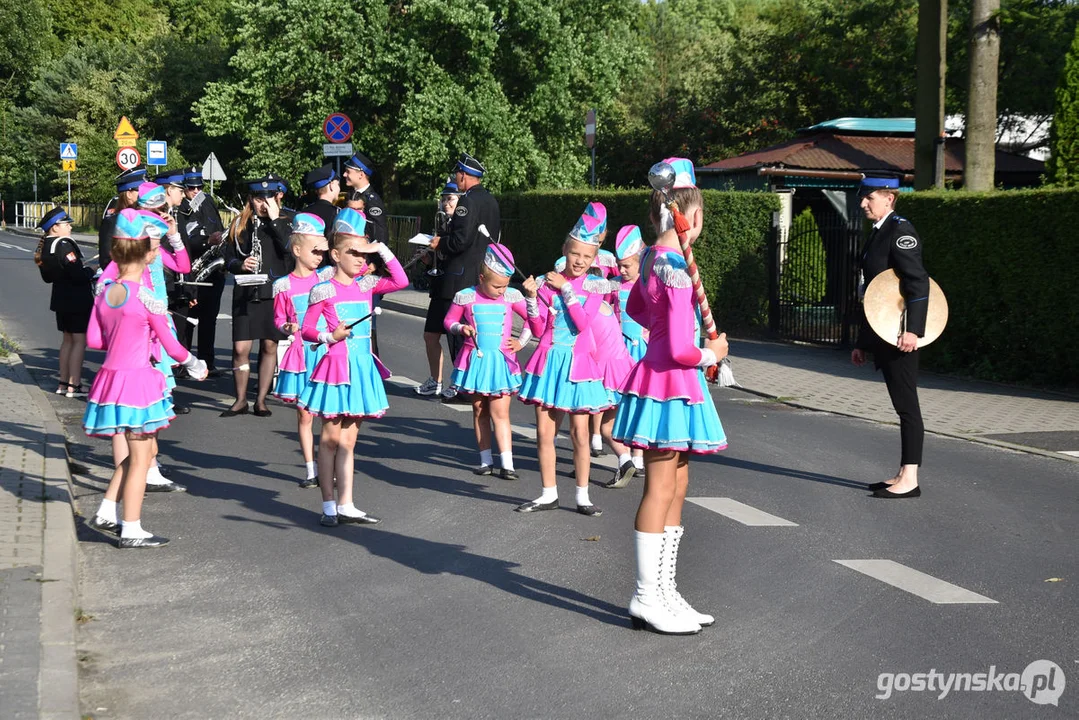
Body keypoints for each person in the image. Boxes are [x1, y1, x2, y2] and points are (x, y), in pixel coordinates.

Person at [612, 157, 728, 635]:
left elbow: (639, 309)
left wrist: (666, 328)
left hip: (664, 381)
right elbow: (683, 348)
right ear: (691, 215)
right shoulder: (675, 266)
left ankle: (666, 589)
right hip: (671, 382)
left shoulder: (652, 262)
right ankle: (645, 595)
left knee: (677, 483)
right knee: (661, 486)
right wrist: (711, 352)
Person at [83, 209, 208, 548]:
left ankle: (108, 510)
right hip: (138, 380)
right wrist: (196, 364)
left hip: (111, 379)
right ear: (147, 254)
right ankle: (132, 528)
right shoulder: (147, 299)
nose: (156, 252)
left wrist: (125, 334)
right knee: (141, 457)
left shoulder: (105, 294)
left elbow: (95, 340)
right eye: (153, 247)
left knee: (138, 450)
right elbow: (173, 348)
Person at [298, 209, 408, 527]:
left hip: (360, 368)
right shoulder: (324, 290)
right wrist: (329, 336)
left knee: (349, 441)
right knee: (330, 438)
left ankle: (347, 503)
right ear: (335, 254)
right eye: (353, 253)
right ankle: (328, 505)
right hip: (336, 369)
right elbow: (306, 330)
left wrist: (380, 249)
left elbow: (401, 280)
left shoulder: (367, 285)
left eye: (364, 253)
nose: (361, 259)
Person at [515, 208, 612, 516]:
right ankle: (548, 493)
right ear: (565, 251)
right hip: (547, 362)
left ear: (594, 257)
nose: (580, 260)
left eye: (586, 255)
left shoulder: (595, 286)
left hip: (578, 366)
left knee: (580, 434)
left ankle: (582, 495)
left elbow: (583, 324)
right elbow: (540, 324)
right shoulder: (546, 281)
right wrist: (531, 298)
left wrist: (566, 289)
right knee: (544, 433)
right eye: (575, 253)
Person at [851, 173, 930, 499]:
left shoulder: (900, 231)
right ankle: (902, 472)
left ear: (889, 198)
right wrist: (862, 342)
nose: (863, 203)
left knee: (907, 405)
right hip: (884, 333)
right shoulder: (880, 232)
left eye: (869, 197)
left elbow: (918, 283)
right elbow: (875, 293)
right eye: (863, 197)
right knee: (902, 405)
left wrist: (914, 330)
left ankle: (910, 478)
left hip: (901, 335)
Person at [443, 244, 539, 479]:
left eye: (505, 285)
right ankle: (486, 461)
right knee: (479, 410)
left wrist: (521, 342)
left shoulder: (511, 297)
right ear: (481, 277)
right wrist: (461, 327)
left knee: (500, 413)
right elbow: (448, 321)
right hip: (476, 361)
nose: (501, 290)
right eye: (496, 286)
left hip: (502, 363)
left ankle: (508, 464)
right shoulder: (465, 296)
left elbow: (535, 322)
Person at [221, 177, 294, 418]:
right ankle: (240, 399)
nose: (262, 204)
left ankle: (261, 400)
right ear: (251, 199)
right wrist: (240, 264)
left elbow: (291, 252)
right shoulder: (240, 224)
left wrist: (274, 220)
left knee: (269, 345)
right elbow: (227, 258)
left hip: (273, 292)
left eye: (268, 199)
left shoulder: (286, 222)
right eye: (258, 199)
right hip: (246, 292)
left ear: (277, 197)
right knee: (241, 347)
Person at [429, 153, 500, 401]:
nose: (456, 179)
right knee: (474, 331)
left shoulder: (467, 202)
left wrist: (440, 243)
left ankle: (462, 386)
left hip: (460, 275)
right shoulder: (490, 200)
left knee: (458, 333)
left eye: (457, 174)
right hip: (481, 272)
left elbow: (460, 241)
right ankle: (475, 385)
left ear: (464, 175)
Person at [272, 213, 335, 487]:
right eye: (315, 251)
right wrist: (286, 327)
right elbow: (277, 318)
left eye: (323, 252)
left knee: (329, 414)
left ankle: (328, 465)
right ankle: (311, 469)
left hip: (326, 351)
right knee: (304, 413)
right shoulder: (283, 285)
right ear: (297, 250)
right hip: (301, 354)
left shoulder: (327, 277)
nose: (320, 257)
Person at [604, 224, 648, 488]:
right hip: (619, 350)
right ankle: (620, 449)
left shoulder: (646, 284)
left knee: (640, 401)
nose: (621, 270)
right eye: (619, 265)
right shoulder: (614, 285)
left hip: (642, 349)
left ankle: (638, 457)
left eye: (626, 266)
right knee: (619, 401)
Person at [34, 207, 94, 397]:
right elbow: (77, 275)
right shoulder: (64, 244)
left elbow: (48, 277)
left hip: (60, 299)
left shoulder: (46, 246)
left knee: (67, 340)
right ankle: (74, 385)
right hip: (77, 299)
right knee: (79, 341)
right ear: (55, 227)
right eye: (66, 224)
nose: (69, 227)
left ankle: (63, 383)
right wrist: (91, 271)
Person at [415, 180, 463, 397]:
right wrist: (428, 259)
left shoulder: (461, 225)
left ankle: (459, 383)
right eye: (444, 199)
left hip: (453, 288)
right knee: (430, 335)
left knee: (456, 340)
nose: (446, 203)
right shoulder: (442, 224)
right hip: (439, 286)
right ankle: (436, 380)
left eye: (450, 199)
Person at [179, 166, 227, 375]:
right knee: (188, 319)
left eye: (199, 186)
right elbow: (184, 241)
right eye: (191, 188)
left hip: (212, 269)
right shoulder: (180, 207)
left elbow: (217, 225)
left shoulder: (207, 201)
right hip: (193, 269)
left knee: (209, 319)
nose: (196, 191)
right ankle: (184, 363)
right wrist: (207, 241)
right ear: (184, 188)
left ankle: (208, 361)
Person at [98, 167, 146, 268]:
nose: (145, 194)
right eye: (141, 191)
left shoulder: (144, 217)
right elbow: (106, 259)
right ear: (129, 194)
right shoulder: (113, 222)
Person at [299, 165, 340, 240]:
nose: (339, 188)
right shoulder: (337, 213)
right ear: (331, 185)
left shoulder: (304, 212)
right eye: (337, 184)